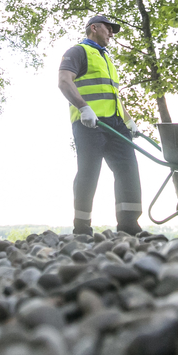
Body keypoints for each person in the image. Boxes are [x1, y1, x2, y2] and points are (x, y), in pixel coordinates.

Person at [58, 15, 143, 236]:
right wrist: (83, 107)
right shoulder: (78, 51)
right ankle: (82, 227)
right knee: (89, 172)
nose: (112, 34)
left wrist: (129, 120)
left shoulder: (106, 59)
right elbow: (64, 80)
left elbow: (114, 96)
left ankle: (129, 226)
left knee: (128, 171)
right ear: (94, 28)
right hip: (90, 124)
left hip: (116, 125)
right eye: (109, 28)